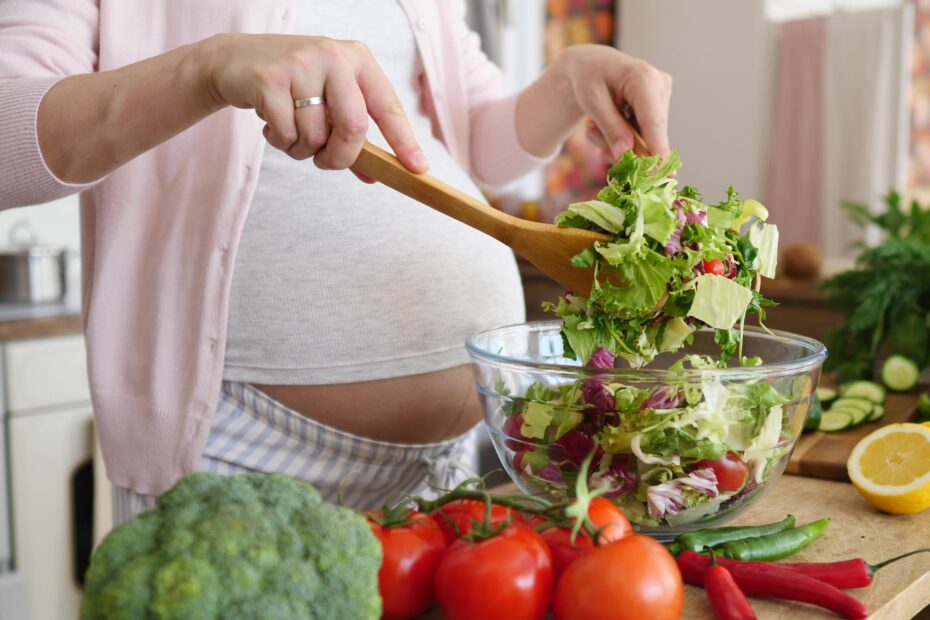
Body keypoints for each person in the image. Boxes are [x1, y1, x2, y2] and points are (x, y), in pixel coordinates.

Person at [0, 1, 672, 523]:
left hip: (449, 467)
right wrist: (204, 69)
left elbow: (475, 143)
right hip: (235, 453)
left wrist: (566, 79)